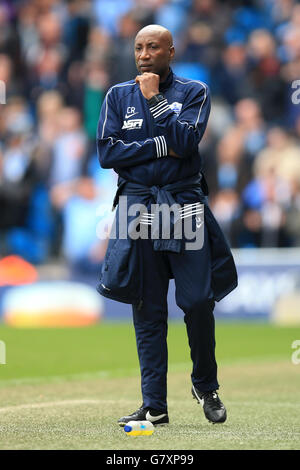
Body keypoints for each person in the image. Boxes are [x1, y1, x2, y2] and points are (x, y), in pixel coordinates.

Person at [96, 24, 238, 426]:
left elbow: (187, 142)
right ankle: (154, 404)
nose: (143, 54)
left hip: (182, 204)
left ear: (170, 52)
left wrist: (155, 99)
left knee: (196, 301)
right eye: (138, 47)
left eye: (153, 47)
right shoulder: (116, 96)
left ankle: (205, 385)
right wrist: (159, 147)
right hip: (139, 206)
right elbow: (108, 153)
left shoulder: (194, 92)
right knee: (148, 306)